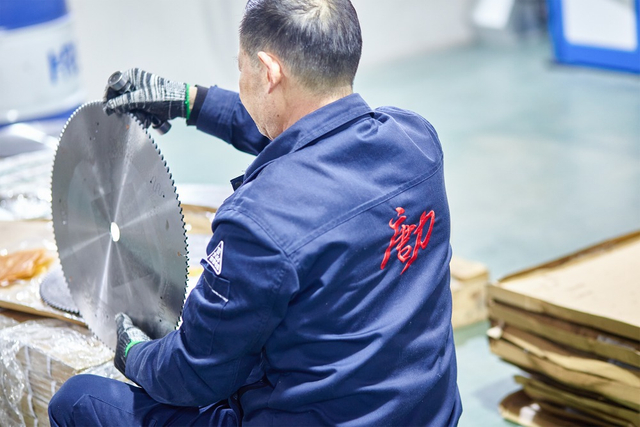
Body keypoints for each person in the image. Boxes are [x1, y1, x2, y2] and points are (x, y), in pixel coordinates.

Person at [48, 0, 462, 425]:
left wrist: (133, 352)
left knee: (78, 400)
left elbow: (192, 375)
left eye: (241, 66)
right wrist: (192, 101)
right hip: (425, 416)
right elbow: (314, 137)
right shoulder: (416, 143)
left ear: (269, 71)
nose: (240, 77)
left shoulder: (258, 223)